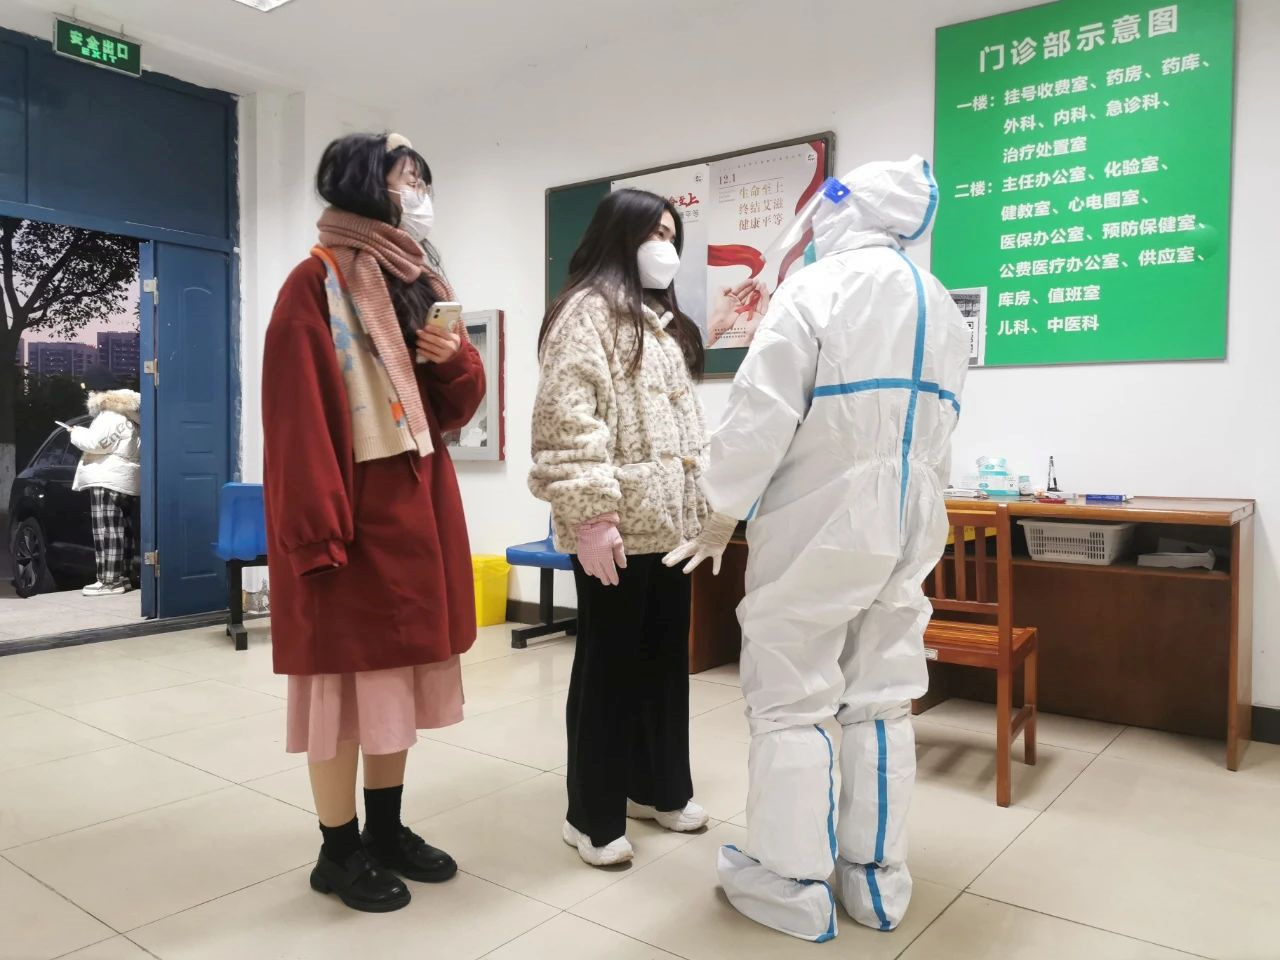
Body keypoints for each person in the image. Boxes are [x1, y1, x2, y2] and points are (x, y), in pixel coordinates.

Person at [664, 156, 969, 941]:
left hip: (823, 516)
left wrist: (719, 508)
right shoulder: (941, 303)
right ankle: (876, 879)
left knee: (791, 692)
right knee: (882, 694)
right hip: (913, 514)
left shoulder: (818, 288)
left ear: (847, 208)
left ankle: (790, 880)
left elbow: (761, 411)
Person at [262, 132, 486, 914]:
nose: (417, 191)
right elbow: (297, 423)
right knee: (341, 698)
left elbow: (454, 407)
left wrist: (451, 357)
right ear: (362, 183)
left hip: (415, 512)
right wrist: (315, 535)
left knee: (393, 690)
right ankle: (337, 851)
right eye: (404, 176)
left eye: (423, 177)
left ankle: (385, 833)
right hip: (349, 523)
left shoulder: (417, 280)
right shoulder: (312, 283)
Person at [529, 188, 711, 867]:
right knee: (608, 668)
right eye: (653, 233)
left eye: (672, 234)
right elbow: (568, 420)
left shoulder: (659, 323)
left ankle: (657, 788)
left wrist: (704, 508)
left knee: (664, 663)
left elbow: (686, 426)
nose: (665, 246)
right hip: (614, 526)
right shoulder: (586, 312)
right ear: (618, 237)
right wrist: (591, 515)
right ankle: (591, 815)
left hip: (670, 525)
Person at [69, 387, 140, 597]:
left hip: (107, 476)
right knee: (123, 530)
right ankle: (124, 576)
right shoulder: (134, 416)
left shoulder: (110, 414)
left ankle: (110, 581)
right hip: (126, 476)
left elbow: (97, 443)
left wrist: (75, 433)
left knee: (106, 531)